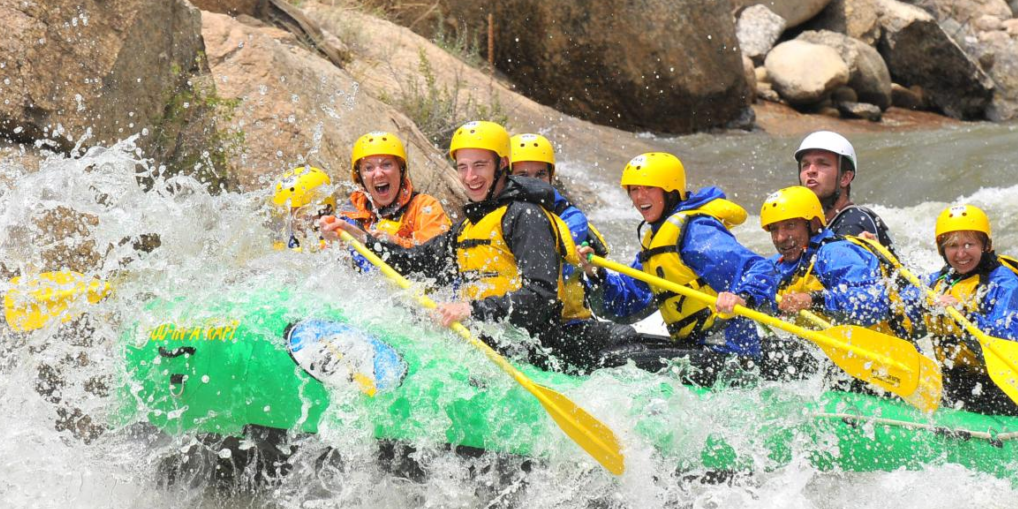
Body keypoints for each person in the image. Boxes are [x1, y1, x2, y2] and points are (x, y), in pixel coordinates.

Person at [320, 121, 578, 364]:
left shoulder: (525, 216)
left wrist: (470, 309)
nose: (470, 176)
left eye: (479, 165)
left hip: (541, 349)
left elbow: (541, 297)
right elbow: (417, 262)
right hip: (495, 345)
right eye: (462, 167)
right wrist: (361, 238)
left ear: (502, 164)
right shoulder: (468, 226)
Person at [576, 152, 776, 385]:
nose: (639, 197)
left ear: (670, 190)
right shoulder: (656, 242)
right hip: (696, 346)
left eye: (649, 188)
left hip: (729, 353)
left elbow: (759, 268)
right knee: (614, 344)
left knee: (615, 361)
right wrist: (595, 273)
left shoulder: (696, 232)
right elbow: (626, 305)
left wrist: (743, 297)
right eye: (634, 189)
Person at [508, 132, 636, 371]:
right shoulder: (499, 216)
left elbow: (544, 261)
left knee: (626, 338)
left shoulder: (572, 219)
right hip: (518, 326)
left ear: (551, 177)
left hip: (569, 325)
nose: (533, 183)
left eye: (540, 175)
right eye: (523, 175)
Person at [915, 204, 1018, 416]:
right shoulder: (939, 281)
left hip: (1000, 390)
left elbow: (1013, 337)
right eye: (952, 246)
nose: (961, 253)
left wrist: (965, 315)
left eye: (969, 244)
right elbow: (900, 298)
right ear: (942, 250)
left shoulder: (1005, 284)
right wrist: (875, 250)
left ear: (985, 246)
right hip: (954, 382)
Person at [760, 185, 916, 340]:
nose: (780, 237)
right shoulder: (778, 264)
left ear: (813, 224)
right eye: (774, 229)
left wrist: (814, 300)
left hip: (888, 348)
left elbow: (875, 302)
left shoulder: (836, 253)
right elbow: (754, 275)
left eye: (790, 225)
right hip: (829, 350)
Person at [339, 130, 451, 254]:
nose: (378, 174)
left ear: (400, 170)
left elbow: (436, 253)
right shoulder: (350, 213)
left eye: (386, 165)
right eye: (369, 168)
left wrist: (394, 242)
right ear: (360, 177)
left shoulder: (425, 207)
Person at [794, 131, 896, 250]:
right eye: (805, 164)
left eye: (823, 164)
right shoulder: (809, 226)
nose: (810, 170)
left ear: (845, 178)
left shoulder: (855, 224)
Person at [271, 165, 335, 250]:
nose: (297, 219)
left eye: (302, 211)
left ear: (325, 210)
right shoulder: (285, 243)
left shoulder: (339, 237)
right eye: (291, 212)